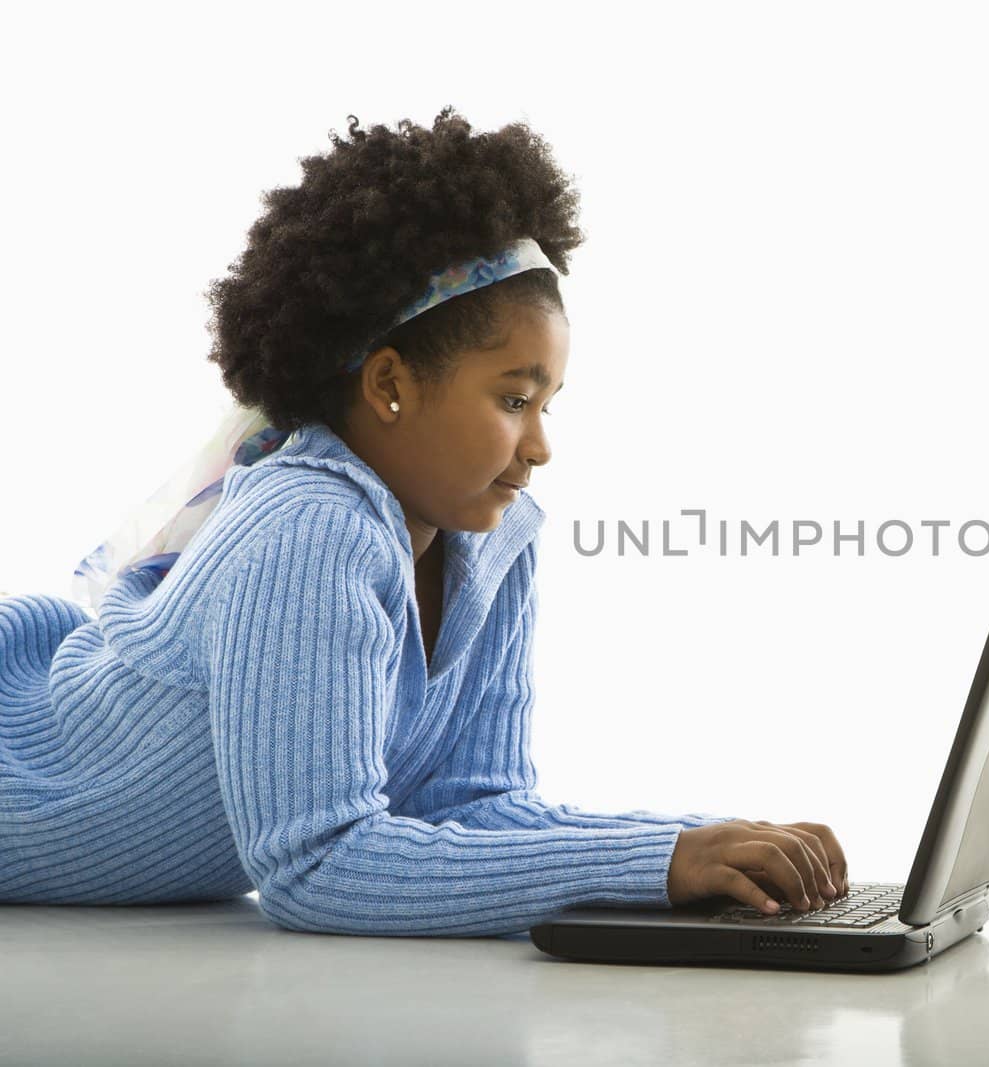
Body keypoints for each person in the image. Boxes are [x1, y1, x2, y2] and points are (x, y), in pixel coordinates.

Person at [0, 107, 846, 936]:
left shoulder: (498, 537)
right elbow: (318, 867)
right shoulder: (311, 525)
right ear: (389, 384)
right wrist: (659, 868)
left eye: (548, 403)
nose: (541, 445)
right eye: (514, 399)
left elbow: (471, 807)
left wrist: (690, 853)